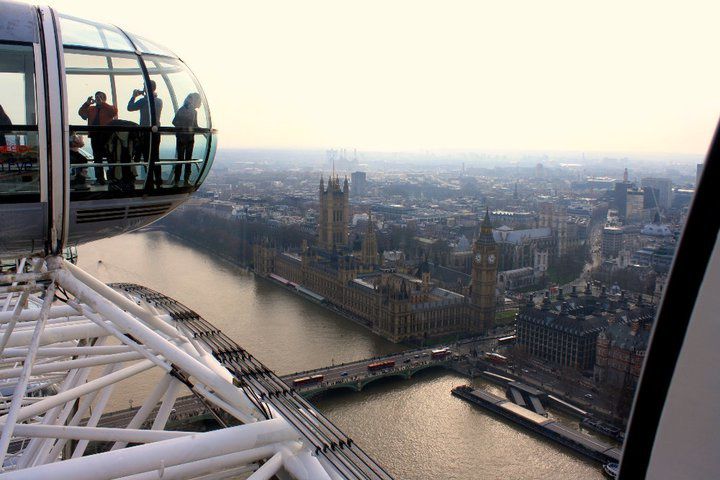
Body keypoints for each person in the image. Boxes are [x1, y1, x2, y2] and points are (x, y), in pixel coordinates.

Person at [127, 81, 163, 188]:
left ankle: (150, 181)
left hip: (146, 133)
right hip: (156, 133)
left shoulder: (144, 101)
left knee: (147, 157)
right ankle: (159, 181)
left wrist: (134, 96)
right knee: (156, 157)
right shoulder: (159, 101)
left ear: (146, 88)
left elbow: (130, 107)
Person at [78, 91, 117, 185]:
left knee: (110, 157)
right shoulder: (91, 109)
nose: (97, 99)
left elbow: (114, 112)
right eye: (96, 97)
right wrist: (87, 103)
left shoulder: (109, 108)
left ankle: (112, 178)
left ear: (104, 98)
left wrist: (102, 103)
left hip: (107, 137)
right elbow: (81, 113)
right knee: (97, 158)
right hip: (95, 136)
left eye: (99, 97)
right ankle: (99, 179)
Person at [171, 93, 201, 186]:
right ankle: (179, 180)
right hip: (184, 138)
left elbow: (195, 125)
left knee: (186, 160)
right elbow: (175, 122)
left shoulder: (191, 112)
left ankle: (183, 180)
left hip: (187, 138)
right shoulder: (183, 110)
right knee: (182, 160)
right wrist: (184, 128)